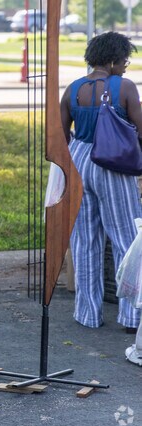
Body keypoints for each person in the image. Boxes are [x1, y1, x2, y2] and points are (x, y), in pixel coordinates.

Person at [59, 32, 142, 334]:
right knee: (127, 240)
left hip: (79, 162)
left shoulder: (73, 89)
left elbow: (58, 136)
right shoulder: (125, 88)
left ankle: (88, 313)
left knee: (85, 240)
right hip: (113, 163)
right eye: (124, 61)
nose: (125, 67)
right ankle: (132, 317)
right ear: (111, 60)